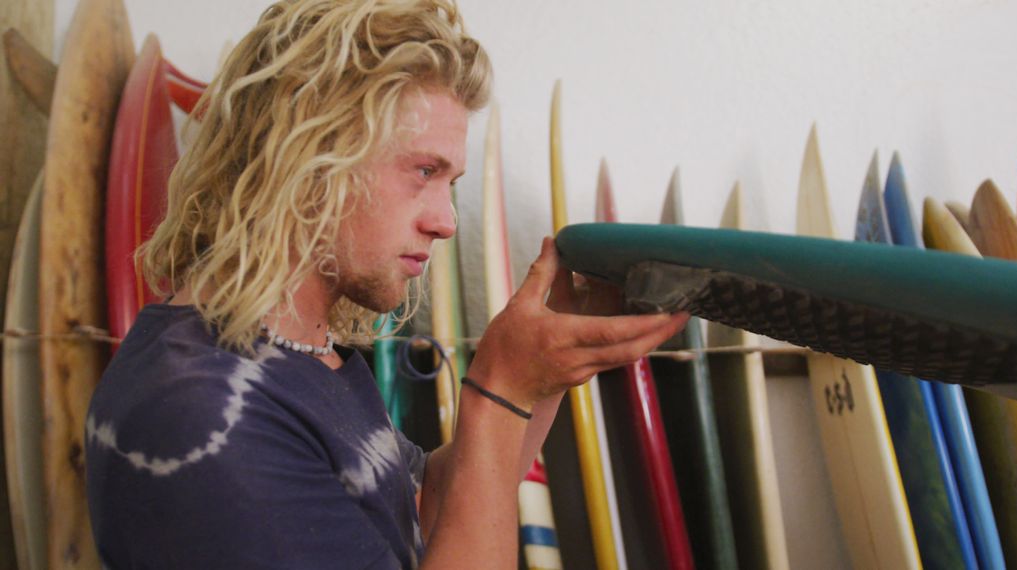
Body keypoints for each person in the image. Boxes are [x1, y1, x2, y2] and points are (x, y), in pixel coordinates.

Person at [85, 0, 688, 568]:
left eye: (449, 182)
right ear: (307, 157)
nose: (447, 222)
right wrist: (499, 389)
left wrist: (546, 369)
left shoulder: (296, 356)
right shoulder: (202, 409)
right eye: (423, 171)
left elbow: (425, 512)